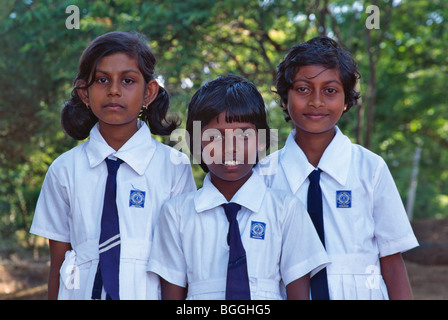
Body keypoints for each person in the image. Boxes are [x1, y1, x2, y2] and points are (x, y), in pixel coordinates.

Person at [30, 31, 196, 300]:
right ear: (84, 92)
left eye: (128, 80)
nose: (114, 90)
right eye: (102, 80)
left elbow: (181, 262)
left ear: (149, 92)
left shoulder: (174, 166)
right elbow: (58, 263)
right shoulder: (64, 170)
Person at [256, 36, 418, 300]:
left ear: (346, 101)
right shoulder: (264, 176)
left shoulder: (370, 168)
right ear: (285, 99)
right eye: (303, 89)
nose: (317, 101)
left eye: (330, 90)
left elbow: (392, 261)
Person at [147, 74, 329, 300]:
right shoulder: (177, 214)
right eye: (216, 136)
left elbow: (299, 294)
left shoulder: (285, 210)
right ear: (195, 143)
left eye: (244, 135)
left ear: (261, 142)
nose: (230, 147)